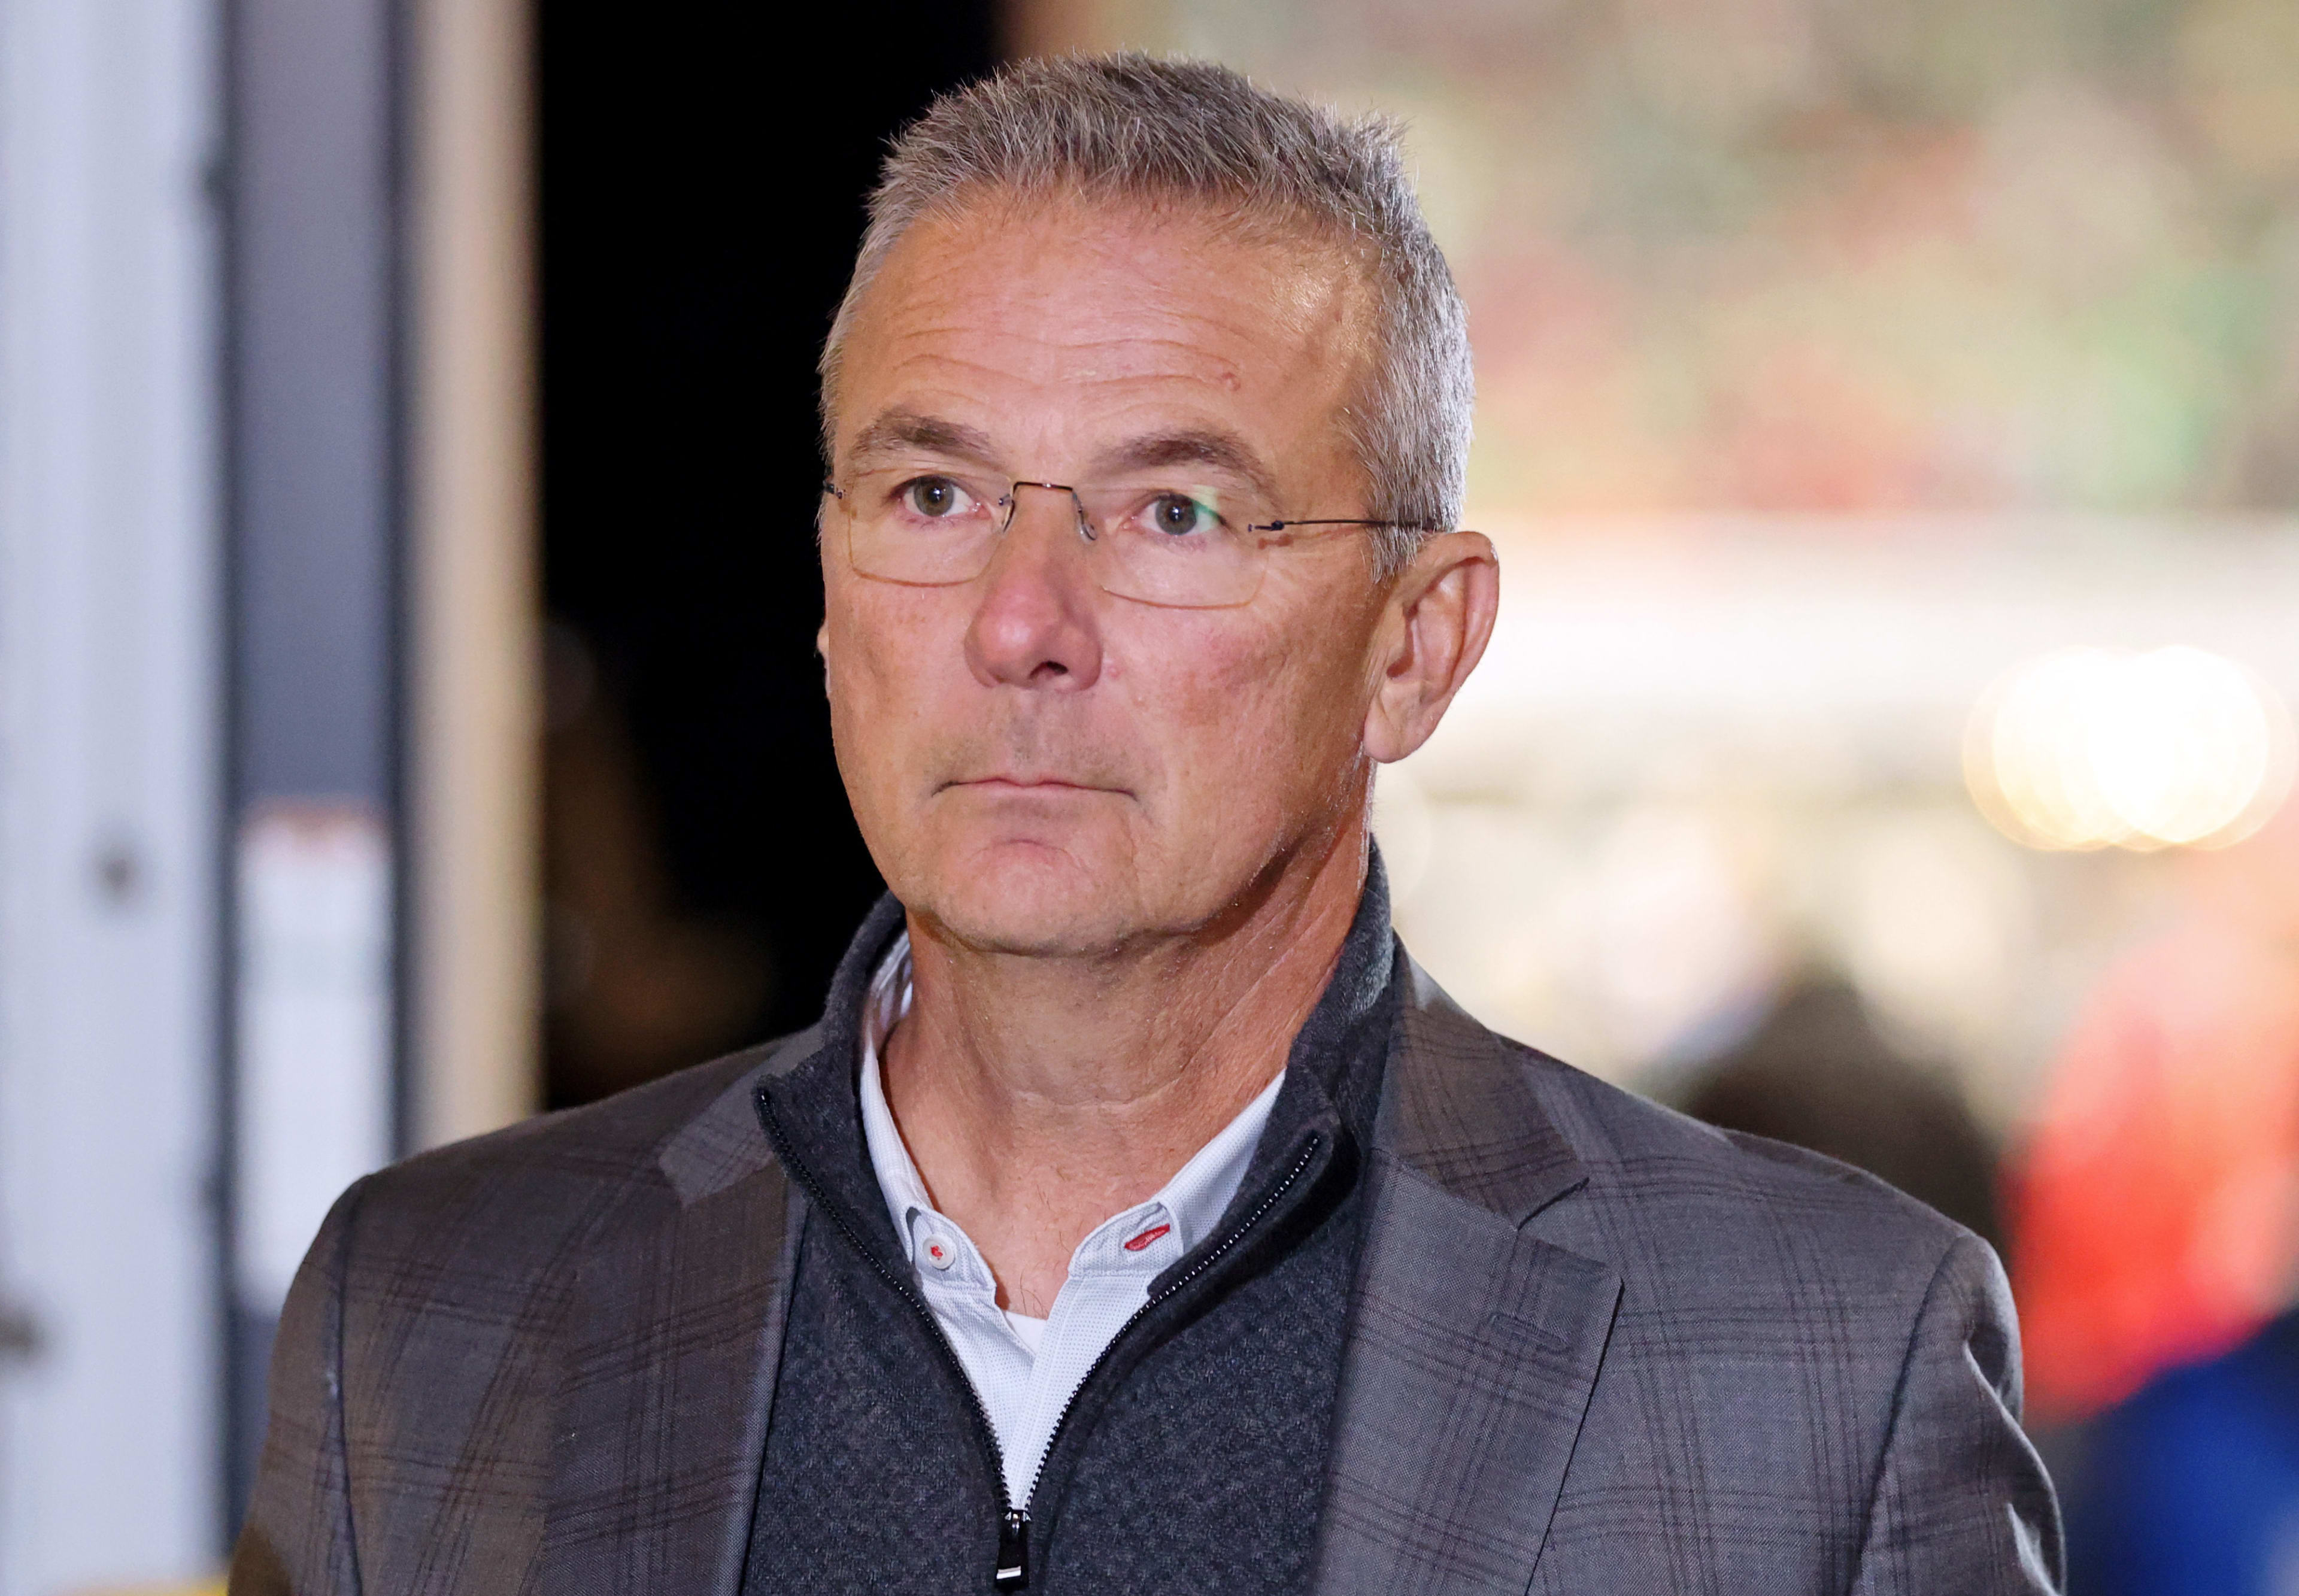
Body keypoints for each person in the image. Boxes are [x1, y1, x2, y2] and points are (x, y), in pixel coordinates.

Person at [232, 54, 2061, 1594]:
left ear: (1417, 646)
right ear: (828, 590)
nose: (1022, 621)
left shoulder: (1813, 1375)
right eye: (934, 492)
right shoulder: (436, 1320)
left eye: (1176, 513)